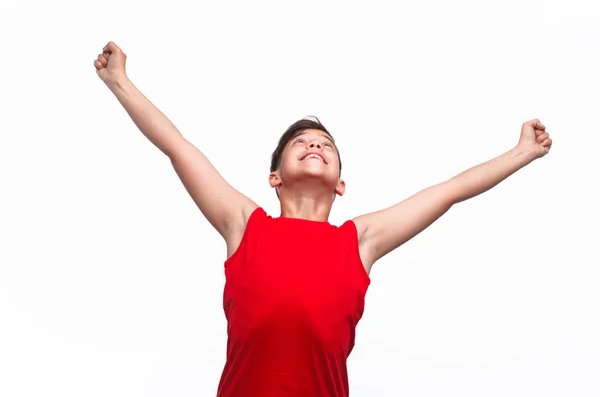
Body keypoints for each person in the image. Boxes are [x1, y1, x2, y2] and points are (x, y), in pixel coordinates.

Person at [94, 41, 553, 396]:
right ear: (274, 176)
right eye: (301, 142)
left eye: (326, 145)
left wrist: (521, 153)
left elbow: (449, 191)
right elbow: (178, 147)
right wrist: (120, 82)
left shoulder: (360, 241)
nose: (315, 145)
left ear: (340, 184)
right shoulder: (244, 224)